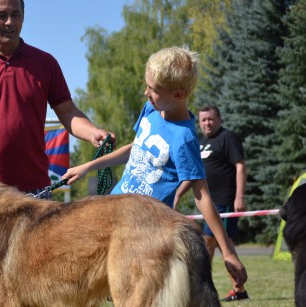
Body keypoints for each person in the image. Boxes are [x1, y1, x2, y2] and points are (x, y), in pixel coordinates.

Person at [0, 0, 114, 306]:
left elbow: (68, 113)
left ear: (23, 17)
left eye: (15, 14)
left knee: (37, 287)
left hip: (33, 192)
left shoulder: (45, 63)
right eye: (1, 15)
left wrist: (92, 132)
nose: (9, 21)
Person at [62, 46, 248, 293]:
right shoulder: (151, 109)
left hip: (144, 229)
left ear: (179, 94)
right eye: (147, 85)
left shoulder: (184, 139)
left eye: (154, 90)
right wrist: (88, 166)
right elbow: (135, 148)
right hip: (114, 212)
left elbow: (202, 196)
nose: (146, 92)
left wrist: (227, 252)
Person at [197, 105, 248, 301]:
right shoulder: (201, 142)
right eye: (203, 120)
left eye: (210, 119)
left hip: (224, 201)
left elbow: (240, 166)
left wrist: (239, 196)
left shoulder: (228, 138)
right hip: (207, 203)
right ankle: (239, 289)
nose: (207, 123)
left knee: (209, 242)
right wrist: (178, 194)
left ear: (218, 119)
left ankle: (200, 288)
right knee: (221, 244)